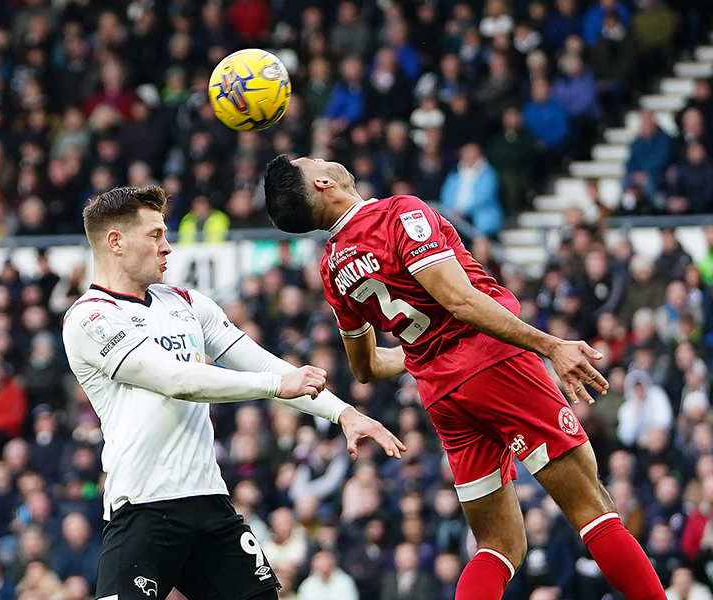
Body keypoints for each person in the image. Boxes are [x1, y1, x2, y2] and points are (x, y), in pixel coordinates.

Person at [263, 154, 665, 600]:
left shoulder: (332, 269)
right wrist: (551, 346)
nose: (325, 158)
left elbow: (366, 367)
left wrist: (421, 354)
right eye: (314, 159)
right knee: (593, 507)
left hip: (442, 397)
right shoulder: (399, 213)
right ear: (321, 181)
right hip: (497, 364)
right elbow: (462, 302)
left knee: (499, 546)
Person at [61, 186, 404, 600]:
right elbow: (178, 381)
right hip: (145, 509)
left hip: (209, 503)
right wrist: (277, 386)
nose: (167, 247)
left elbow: (261, 362)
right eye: (155, 235)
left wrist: (343, 413)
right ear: (115, 241)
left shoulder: (186, 302)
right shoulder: (90, 318)